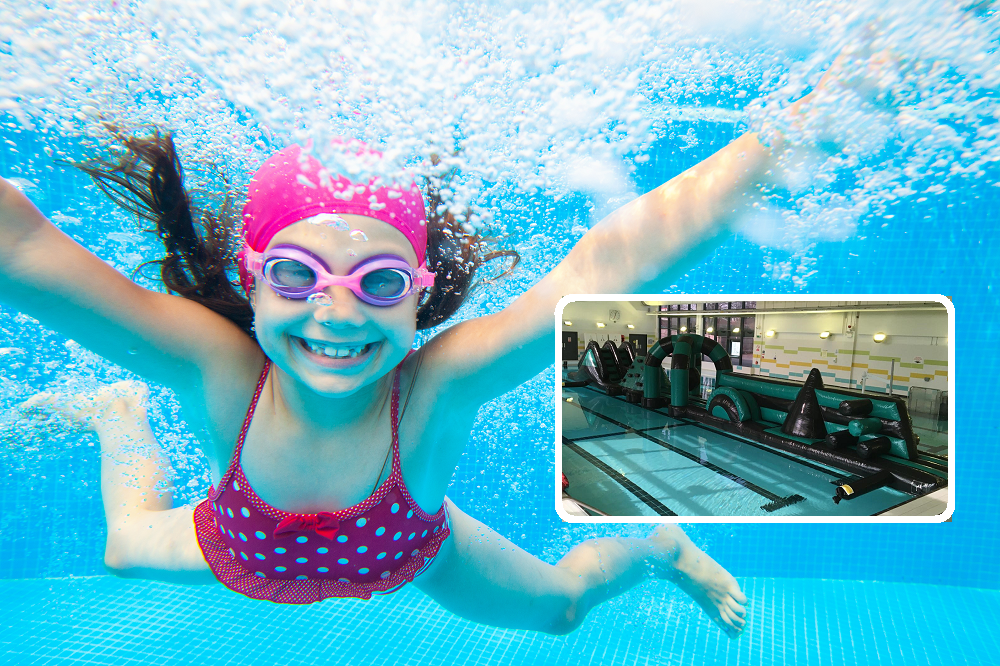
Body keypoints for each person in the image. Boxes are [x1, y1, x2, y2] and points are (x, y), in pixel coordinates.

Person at [1, 126, 772, 637]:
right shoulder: (219, 367)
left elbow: (603, 267)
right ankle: (117, 412)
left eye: (377, 281)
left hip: (410, 549)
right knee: (119, 546)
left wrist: (794, 136)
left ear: (417, 294)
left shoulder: (437, 389)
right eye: (297, 275)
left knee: (563, 610)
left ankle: (663, 551)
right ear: (253, 278)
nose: (336, 314)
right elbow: (27, 251)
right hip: (238, 548)